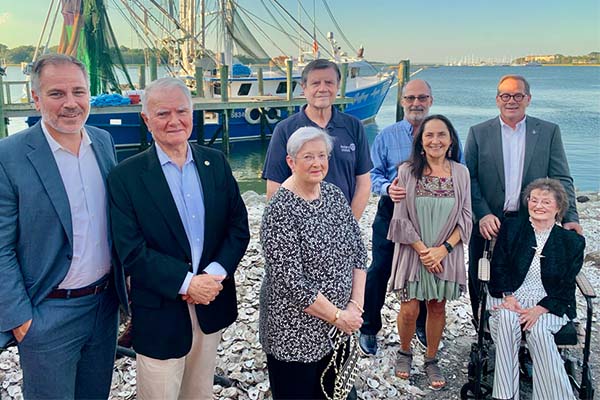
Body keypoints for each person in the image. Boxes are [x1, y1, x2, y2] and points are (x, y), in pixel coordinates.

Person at [108, 77, 250, 399]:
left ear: (193, 112)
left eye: (181, 111)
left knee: (199, 392)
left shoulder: (215, 163)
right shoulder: (125, 177)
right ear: (146, 119)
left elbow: (238, 226)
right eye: (162, 113)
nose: (174, 121)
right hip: (160, 309)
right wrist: (187, 283)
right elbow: (130, 251)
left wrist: (214, 275)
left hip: (211, 301)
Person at [0, 53, 127, 399]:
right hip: (48, 312)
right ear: (36, 98)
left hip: (104, 308)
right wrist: (22, 321)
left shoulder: (103, 142)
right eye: (57, 94)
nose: (70, 103)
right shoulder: (8, 156)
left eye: (79, 92)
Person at [259, 127, 367, 399]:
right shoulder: (280, 210)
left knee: (339, 393)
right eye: (308, 157)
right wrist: (339, 317)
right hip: (295, 335)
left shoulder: (333, 195)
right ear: (291, 162)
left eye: (322, 155)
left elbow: (358, 252)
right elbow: (292, 282)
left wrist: (354, 307)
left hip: (339, 328)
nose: (317, 163)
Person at [465, 74, 582, 324]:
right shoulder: (478, 133)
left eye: (518, 95)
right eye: (505, 95)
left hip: (531, 221)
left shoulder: (548, 132)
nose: (511, 101)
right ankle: (483, 328)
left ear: (528, 99)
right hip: (490, 220)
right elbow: (469, 179)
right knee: (480, 276)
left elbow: (562, 177)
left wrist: (570, 217)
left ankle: (527, 324)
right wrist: (482, 213)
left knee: (529, 274)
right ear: (497, 100)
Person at [360, 79, 454, 355]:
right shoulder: (387, 136)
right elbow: (371, 174)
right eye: (410, 98)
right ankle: (368, 326)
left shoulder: (444, 134)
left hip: (431, 216)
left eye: (422, 98)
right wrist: (387, 188)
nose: (416, 103)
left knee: (427, 270)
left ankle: (424, 327)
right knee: (379, 269)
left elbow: (455, 170)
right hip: (393, 212)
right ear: (402, 102)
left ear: (431, 100)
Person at [387, 115, 472, 390]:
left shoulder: (461, 173)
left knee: (437, 306)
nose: (435, 140)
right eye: (429, 136)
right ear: (421, 142)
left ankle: (431, 358)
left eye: (441, 135)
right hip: (415, 251)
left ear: (450, 141)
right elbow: (400, 219)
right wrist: (425, 251)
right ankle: (404, 351)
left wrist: (443, 250)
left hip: (446, 252)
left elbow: (467, 218)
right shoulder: (407, 171)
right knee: (410, 308)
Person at [488, 178, 584, 400]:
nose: (538, 205)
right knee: (506, 318)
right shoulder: (512, 228)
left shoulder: (571, 242)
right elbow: (499, 266)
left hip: (550, 302)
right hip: (513, 295)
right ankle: (505, 395)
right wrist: (509, 296)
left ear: (558, 208)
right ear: (527, 202)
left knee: (540, 331)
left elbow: (566, 284)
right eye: (534, 200)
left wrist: (540, 309)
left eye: (546, 202)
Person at [261, 58, 372, 220]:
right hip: (300, 225)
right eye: (315, 83)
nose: (323, 88)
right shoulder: (285, 129)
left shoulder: (353, 126)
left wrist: (349, 224)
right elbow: (274, 186)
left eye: (329, 82)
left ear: (338, 85)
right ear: (304, 88)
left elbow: (363, 182)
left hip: (343, 222)